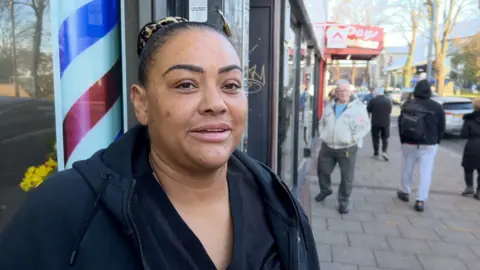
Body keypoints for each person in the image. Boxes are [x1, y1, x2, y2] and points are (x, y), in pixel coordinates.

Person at [0, 17, 320, 270]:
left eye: (230, 84)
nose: (215, 103)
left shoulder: (276, 200)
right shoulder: (66, 210)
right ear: (142, 104)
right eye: (185, 84)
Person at [315, 79, 371, 214]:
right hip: (327, 146)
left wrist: (354, 138)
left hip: (347, 148)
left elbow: (366, 126)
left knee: (347, 177)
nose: (343, 94)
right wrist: (322, 134)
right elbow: (322, 121)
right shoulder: (329, 105)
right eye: (340, 91)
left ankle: (343, 202)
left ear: (350, 91)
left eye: (345, 91)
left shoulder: (358, 107)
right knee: (323, 170)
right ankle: (325, 190)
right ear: (336, 92)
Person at [397, 79, 445, 212]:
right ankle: (420, 200)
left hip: (409, 142)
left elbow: (401, 124)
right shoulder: (437, 107)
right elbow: (442, 127)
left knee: (407, 167)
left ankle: (404, 191)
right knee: (426, 172)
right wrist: (437, 140)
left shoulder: (408, 105)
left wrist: (403, 140)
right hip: (429, 143)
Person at [460, 98, 480, 199]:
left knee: (468, 168)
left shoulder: (469, 119)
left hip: (472, 144)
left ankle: (469, 187)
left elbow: (464, 134)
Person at [367, 88, 393, 161]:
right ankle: (384, 151)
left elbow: (368, 110)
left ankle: (376, 153)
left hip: (375, 122)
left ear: (376, 93)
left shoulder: (373, 101)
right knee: (385, 137)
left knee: (375, 137)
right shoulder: (388, 101)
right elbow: (390, 110)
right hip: (385, 122)